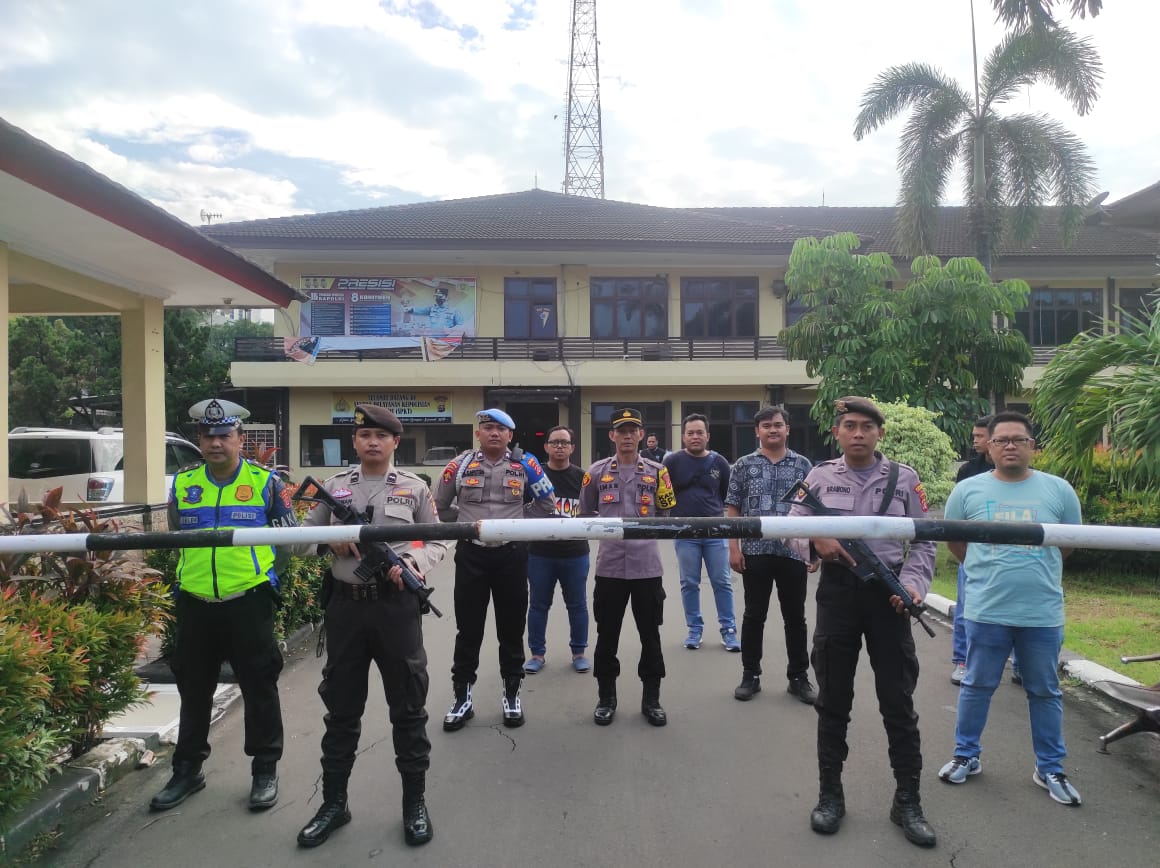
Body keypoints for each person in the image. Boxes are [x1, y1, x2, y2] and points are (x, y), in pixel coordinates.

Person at [295, 404, 449, 849]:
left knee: (408, 707)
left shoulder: (414, 488)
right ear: (355, 441)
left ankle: (414, 803)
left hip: (396, 610)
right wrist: (331, 540)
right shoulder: (334, 488)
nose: (373, 442)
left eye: (381, 436)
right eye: (365, 435)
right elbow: (298, 544)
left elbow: (438, 538)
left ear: (395, 442)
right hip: (346, 610)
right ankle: (333, 804)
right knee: (342, 709)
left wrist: (414, 561)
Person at [788, 397, 937, 848]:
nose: (858, 433)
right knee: (833, 698)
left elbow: (925, 541)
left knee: (898, 701)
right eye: (849, 425)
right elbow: (790, 527)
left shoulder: (905, 479)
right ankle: (830, 795)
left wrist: (913, 585)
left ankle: (907, 800)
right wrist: (817, 540)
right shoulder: (818, 477)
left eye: (866, 426)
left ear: (880, 433)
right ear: (837, 432)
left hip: (890, 598)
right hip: (838, 594)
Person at [150, 398, 299, 813]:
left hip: (247, 601)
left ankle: (265, 769)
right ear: (199, 440)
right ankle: (187, 770)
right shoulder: (183, 485)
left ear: (240, 439)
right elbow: (177, 535)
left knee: (259, 687)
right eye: (207, 436)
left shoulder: (267, 483)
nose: (215, 443)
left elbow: (288, 543)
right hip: (195, 603)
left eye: (224, 436)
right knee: (193, 689)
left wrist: (266, 578)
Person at [938, 411, 1084, 807]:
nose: (1010, 446)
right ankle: (966, 755)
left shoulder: (1059, 490)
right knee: (976, 686)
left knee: (1044, 691)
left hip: (1041, 613)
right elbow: (955, 543)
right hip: (987, 610)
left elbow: (1069, 543)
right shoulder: (967, 491)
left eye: (1019, 439)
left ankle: (1050, 767)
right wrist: (986, 573)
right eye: (1001, 440)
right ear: (988, 446)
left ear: (1032, 446)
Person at [432, 408, 556, 731]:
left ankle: (512, 696)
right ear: (478, 433)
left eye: (501, 429)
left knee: (511, 630)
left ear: (510, 435)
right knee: (468, 630)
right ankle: (462, 699)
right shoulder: (460, 466)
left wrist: (517, 524)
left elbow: (547, 504)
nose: (494, 433)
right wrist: (465, 523)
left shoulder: (526, 465)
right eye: (487, 427)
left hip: (511, 556)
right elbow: (439, 506)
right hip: (470, 556)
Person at [578, 407, 677, 727]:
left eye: (633, 430)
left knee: (650, 636)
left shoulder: (658, 472)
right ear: (612, 435)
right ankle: (606, 698)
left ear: (641, 434)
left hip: (647, 567)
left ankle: (652, 699)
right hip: (609, 567)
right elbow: (585, 514)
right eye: (621, 431)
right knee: (607, 636)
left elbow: (666, 513)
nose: (627, 436)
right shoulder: (595, 472)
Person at [724, 405, 816, 703]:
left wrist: (814, 551)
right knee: (754, 615)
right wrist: (733, 548)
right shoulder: (743, 465)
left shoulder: (804, 466)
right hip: (755, 551)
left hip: (793, 552)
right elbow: (733, 508)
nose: (772, 430)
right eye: (766, 426)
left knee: (795, 617)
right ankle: (750, 675)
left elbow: (813, 510)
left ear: (787, 429)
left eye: (777, 425)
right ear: (757, 431)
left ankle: (798, 677)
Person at [663, 413, 738, 651]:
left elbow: (726, 495)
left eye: (699, 432)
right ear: (683, 436)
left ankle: (729, 630)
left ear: (708, 435)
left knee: (722, 582)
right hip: (685, 533)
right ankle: (694, 629)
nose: (695, 437)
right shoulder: (672, 462)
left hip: (715, 532)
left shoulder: (720, 462)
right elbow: (663, 493)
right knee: (689, 582)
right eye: (690, 433)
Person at [524, 425, 592, 675]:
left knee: (577, 605)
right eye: (555, 442)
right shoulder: (534, 476)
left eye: (565, 442)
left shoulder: (583, 478)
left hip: (575, 553)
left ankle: (579, 652)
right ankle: (537, 654)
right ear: (546, 447)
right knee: (538, 605)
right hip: (540, 553)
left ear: (572, 448)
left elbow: (592, 510)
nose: (559, 446)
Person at [950, 416, 994, 686]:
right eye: (974, 436)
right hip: (972, 553)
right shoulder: (968, 471)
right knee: (965, 609)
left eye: (980, 436)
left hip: (1012, 556)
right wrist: (968, 557)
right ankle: (962, 660)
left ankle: (1020, 665)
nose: (974, 441)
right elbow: (956, 521)